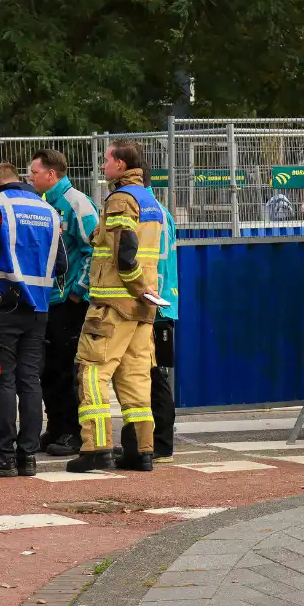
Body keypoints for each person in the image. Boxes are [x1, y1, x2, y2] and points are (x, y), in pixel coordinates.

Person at [0, 163, 67, 478]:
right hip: (39, 309)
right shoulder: (49, 210)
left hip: (0, 307)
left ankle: (3, 454)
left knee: (1, 381)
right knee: (29, 381)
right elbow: (61, 264)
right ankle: (27, 456)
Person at [68, 140, 164, 474]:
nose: (103, 164)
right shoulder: (151, 200)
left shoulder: (121, 199)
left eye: (107, 159)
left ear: (121, 165)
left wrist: (135, 285)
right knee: (136, 377)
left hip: (112, 304)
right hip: (141, 308)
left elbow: (125, 252)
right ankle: (141, 452)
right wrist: (145, 293)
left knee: (92, 372)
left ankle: (96, 448)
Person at [29, 149, 99, 457]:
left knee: (66, 370)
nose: (29, 177)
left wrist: (76, 291)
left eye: (34, 172)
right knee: (49, 369)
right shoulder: (47, 204)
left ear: (51, 174)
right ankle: (56, 426)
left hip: (68, 303)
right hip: (51, 301)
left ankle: (73, 431)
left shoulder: (76, 203)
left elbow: (93, 249)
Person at [116, 186, 179, 465]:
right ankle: (154, 443)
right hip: (159, 301)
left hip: (153, 302)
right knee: (153, 375)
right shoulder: (159, 210)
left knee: (154, 376)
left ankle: (161, 444)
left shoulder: (145, 211)